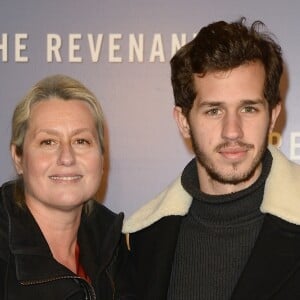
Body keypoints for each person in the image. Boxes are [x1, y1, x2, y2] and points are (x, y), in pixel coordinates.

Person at [123, 18, 300, 299]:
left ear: (273, 116)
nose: (233, 131)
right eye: (214, 111)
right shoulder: (139, 240)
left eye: (249, 109)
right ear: (183, 121)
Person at [0, 75, 134, 299]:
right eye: (48, 142)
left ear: (101, 158)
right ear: (18, 157)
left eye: (81, 141)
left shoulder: (117, 251)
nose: (67, 158)